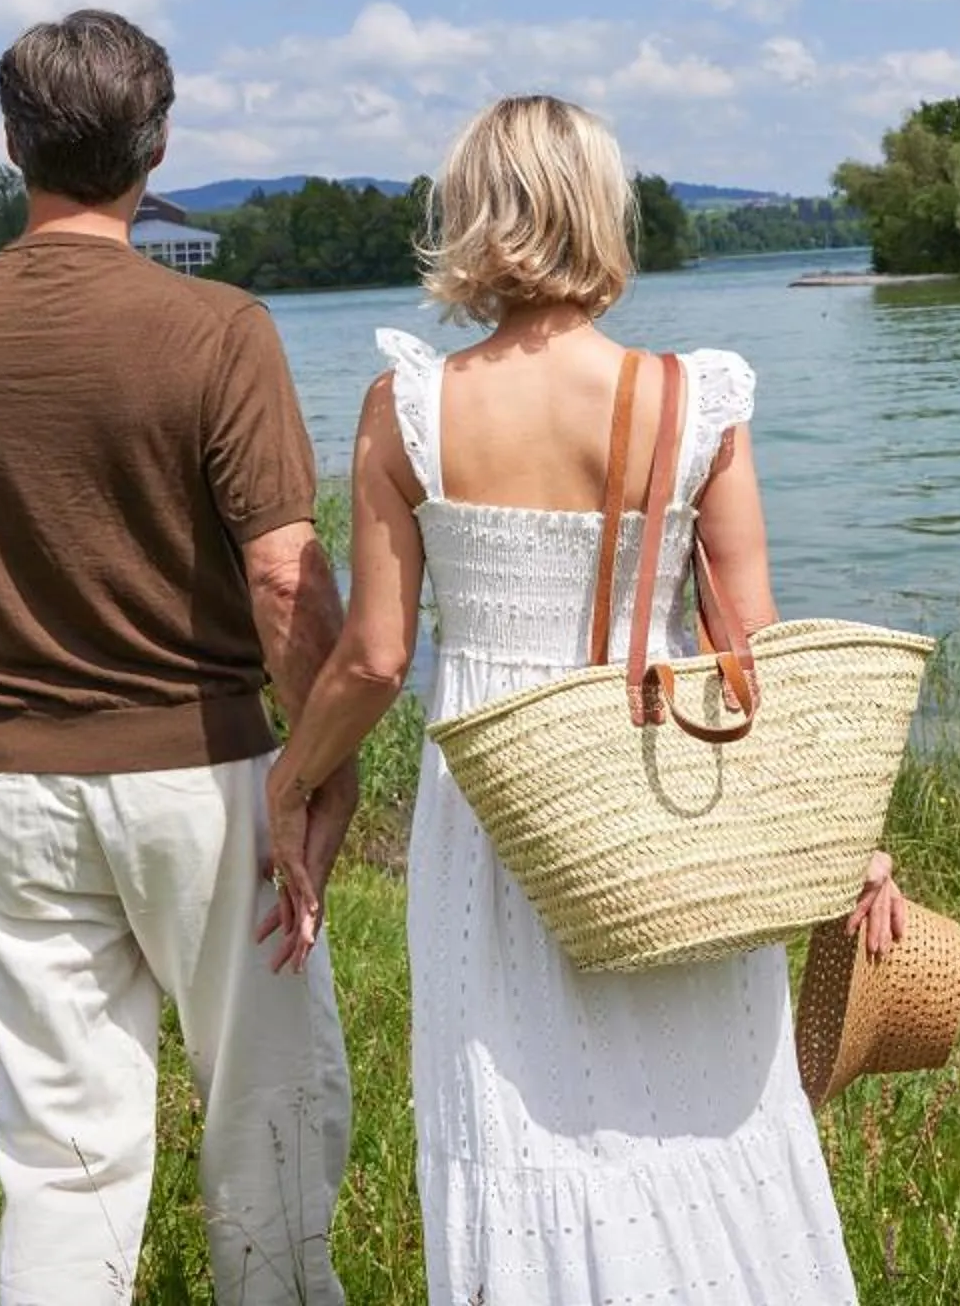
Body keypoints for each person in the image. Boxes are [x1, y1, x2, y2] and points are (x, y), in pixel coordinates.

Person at [263, 94, 903, 1306]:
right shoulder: (695, 398)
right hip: (668, 791)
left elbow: (376, 658)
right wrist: (842, 833)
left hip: (500, 804)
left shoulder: (410, 410)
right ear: (602, 213)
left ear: (470, 216)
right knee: (711, 1117)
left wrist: (293, 782)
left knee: (519, 1120)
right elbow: (753, 645)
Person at [0, 9, 353, 1306]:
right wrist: (319, 764)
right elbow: (283, 577)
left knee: (60, 1143)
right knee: (266, 1102)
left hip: (8, 785)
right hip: (203, 773)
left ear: (11, 144)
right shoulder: (220, 329)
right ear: (158, 144)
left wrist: (18, 702)